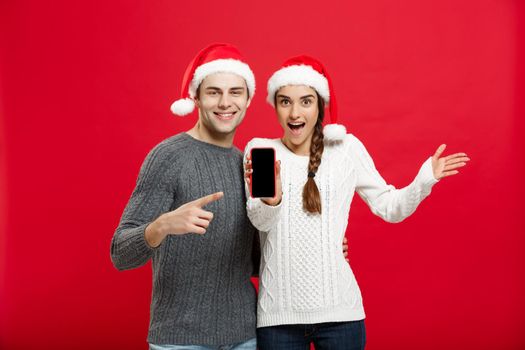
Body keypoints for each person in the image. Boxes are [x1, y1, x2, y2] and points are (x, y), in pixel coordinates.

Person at [110, 44, 352, 350]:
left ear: (249, 99)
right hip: (180, 340)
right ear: (196, 97)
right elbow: (121, 253)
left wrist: (318, 243)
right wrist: (162, 225)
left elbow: (255, 260)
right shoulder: (168, 157)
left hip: (246, 337)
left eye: (235, 92)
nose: (225, 103)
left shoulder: (251, 162)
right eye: (213, 92)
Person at [243, 55, 470, 350]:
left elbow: (389, 207)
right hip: (278, 319)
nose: (295, 112)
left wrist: (424, 179)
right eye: (285, 101)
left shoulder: (346, 149)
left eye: (306, 101)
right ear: (274, 105)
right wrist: (272, 200)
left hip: (341, 315)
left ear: (320, 105)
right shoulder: (261, 150)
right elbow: (260, 222)